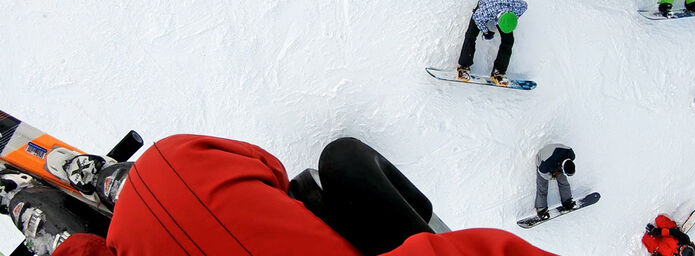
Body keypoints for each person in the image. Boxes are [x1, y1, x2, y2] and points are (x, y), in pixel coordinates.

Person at [2, 134, 557, 256]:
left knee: (327, 173)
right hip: (173, 187)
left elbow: (268, 170)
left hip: (177, 172)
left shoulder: (178, 155)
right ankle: (67, 222)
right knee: (335, 170)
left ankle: (118, 188)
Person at [457, 0, 527, 86]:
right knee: (471, 35)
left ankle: (499, 72)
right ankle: (463, 67)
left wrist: (514, 18)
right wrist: (486, 32)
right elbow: (477, 18)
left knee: (509, 40)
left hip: (506, 12)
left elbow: (525, 5)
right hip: (486, 4)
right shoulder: (484, 11)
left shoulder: (517, 7)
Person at [534, 143, 575, 220]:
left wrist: (558, 173)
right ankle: (541, 209)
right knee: (542, 186)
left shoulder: (571, 155)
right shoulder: (546, 165)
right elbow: (542, 172)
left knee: (563, 180)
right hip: (542, 159)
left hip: (557, 159)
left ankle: (567, 202)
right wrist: (551, 177)